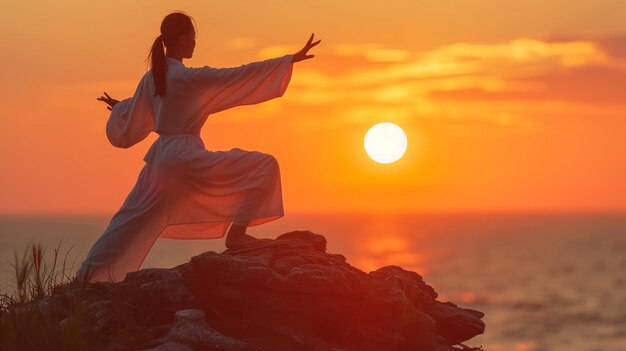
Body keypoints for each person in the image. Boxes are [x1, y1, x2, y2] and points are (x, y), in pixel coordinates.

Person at [75, 11, 320, 283]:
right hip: (186, 158)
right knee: (264, 165)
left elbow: (139, 112)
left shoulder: (151, 79)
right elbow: (238, 75)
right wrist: (288, 61)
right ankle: (237, 235)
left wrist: (120, 107)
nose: (195, 42)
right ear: (182, 40)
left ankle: (86, 277)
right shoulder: (189, 79)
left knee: (127, 222)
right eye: (193, 37)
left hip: (160, 160)